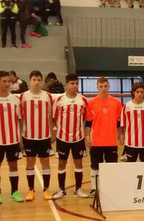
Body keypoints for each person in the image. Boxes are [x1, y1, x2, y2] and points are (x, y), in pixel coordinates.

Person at [52, 74, 89, 199]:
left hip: (78, 138)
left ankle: (78, 189)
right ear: (67, 84)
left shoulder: (83, 100)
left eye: (76, 83)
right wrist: (54, 132)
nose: (75, 86)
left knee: (78, 162)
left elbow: (84, 118)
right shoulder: (59, 100)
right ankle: (61, 190)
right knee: (61, 163)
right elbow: (54, 117)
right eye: (72, 83)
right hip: (62, 138)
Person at [19, 70, 55, 201]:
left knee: (45, 162)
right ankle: (31, 190)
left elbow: (50, 116)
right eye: (34, 80)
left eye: (39, 80)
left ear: (41, 81)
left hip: (44, 136)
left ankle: (46, 189)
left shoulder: (48, 96)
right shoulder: (23, 96)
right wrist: (20, 135)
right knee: (30, 162)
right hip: (28, 136)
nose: (36, 82)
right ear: (29, 81)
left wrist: (52, 133)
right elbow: (20, 117)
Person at [85, 77, 123, 196]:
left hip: (111, 141)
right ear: (97, 87)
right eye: (101, 86)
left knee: (111, 167)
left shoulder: (116, 103)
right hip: (96, 141)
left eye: (105, 86)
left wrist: (121, 134)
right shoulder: (91, 103)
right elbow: (88, 122)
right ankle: (94, 188)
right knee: (95, 166)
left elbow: (119, 122)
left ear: (109, 87)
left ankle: (111, 188)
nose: (103, 89)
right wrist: (87, 137)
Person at [0, 70, 23, 203]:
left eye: (9, 81)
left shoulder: (15, 99)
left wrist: (19, 136)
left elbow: (20, 119)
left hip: (13, 140)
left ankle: (14, 192)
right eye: (4, 81)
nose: (8, 84)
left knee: (13, 166)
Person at [121, 82, 144, 162]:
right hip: (130, 143)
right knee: (131, 167)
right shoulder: (127, 106)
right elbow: (123, 124)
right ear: (133, 92)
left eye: (142, 92)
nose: (139, 94)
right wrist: (122, 136)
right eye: (137, 92)